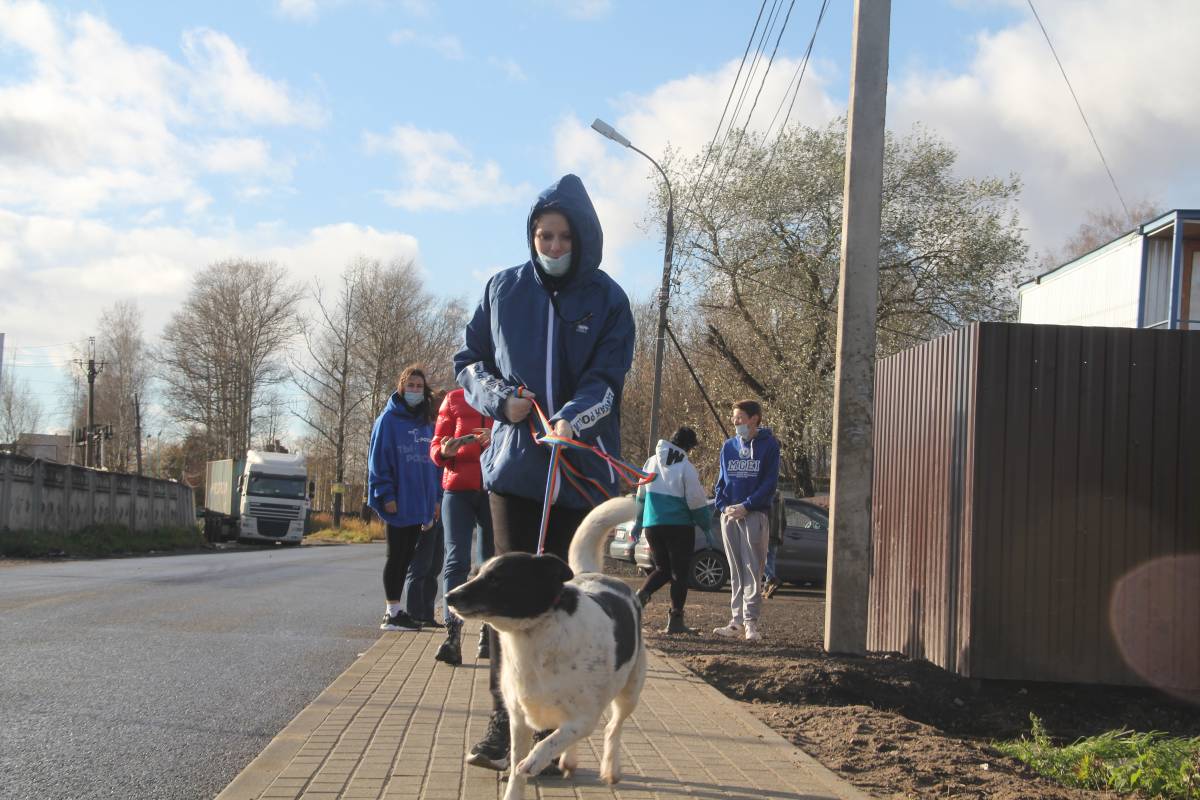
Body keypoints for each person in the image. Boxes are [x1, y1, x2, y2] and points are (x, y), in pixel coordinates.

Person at [454, 173, 635, 772]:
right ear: (531, 237)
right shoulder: (503, 289)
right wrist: (499, 399)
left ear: (583, 241)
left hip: (580, 475)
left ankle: (560, 734)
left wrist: (572, 421)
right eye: (543, 236)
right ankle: (503, 726)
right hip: (515, 474)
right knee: (507, 601)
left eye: (562, 238)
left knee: (563, 604)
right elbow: (468, 362)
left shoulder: (609, 301)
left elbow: (607, 382)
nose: (552, 247)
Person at [366, 365, 441, 632]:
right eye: (410, 386)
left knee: (409, 556)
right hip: (397, 499)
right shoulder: (387, 421)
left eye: (419, 387)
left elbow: (434, 464)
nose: (414, 391)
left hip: (420, 501)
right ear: (401, 387)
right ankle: (391, 611)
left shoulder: (426, 423)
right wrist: (386, 494)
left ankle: (399, 611)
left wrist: (435, 499)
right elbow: (378, 462)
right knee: (396, 555)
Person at [429, 386, 495, 665]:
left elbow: (523, 440)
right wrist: (444, 451)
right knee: (456, 561)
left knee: (490, 564)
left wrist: (498, 438)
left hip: (494, 488)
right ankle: (452, 635)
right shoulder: (453, 399)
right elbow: (435, 446)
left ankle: (488, 631)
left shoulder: (503, 399)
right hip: (457, 489)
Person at [712, 400, 780, 642]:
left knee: (753, 569)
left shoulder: (769, 445)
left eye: (739, 417)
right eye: (734, 417)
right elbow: (720, 482)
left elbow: (769, 484)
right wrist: (723, 506)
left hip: (754, 514)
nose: (735, 421)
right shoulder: (728, 446)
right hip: (729, 515)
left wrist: (747, 505)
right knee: (736, 569)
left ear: (754, 419)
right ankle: (736, 621)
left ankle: (751, 623)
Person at [633, 426, 711, 634]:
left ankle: (639, 599)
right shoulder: (686, 466)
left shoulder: (651, 461)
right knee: (679, 574)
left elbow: (640, 493)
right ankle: (676, 620)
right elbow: (695, 500)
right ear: (687, 447)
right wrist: (706, 525)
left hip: (653, 524)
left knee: (662, 569)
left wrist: (639, 521)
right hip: (679, 527)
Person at [763, 490, 785, 599]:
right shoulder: (780, 495)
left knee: (758, 558)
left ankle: (772, 579)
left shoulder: (765, 493)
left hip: (766, 532)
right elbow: (784, 517)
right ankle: (767, 588)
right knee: (770, 560)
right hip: (777, 533)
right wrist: (782, 533)